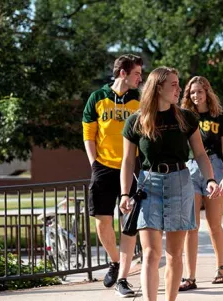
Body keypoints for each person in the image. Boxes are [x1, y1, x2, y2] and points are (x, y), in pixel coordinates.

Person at [119, 67, 220, 301]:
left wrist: (210, 179)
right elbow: (126, 161)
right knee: (151, 254)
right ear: (158, 88)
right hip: (148, 186)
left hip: (180, 184)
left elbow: (201, 154)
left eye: (178, 83)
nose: (179, 88)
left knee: (174, 254)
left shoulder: (186, 118)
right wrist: (125, 194)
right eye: (173, 84)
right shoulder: (136, 121)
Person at [82, 54, 143, 297]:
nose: (140, 78)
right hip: (103, 167)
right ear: (123, 74)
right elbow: (88, 133)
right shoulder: (97, 98)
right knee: (102, 221)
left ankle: (123, 277)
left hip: (131, 166)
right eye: (137, 73)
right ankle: (115, 262)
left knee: (128, 223)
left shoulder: (138, 100)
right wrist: (93, 163)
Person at [179, 76, 223, 291]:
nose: (196, 95)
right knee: (192, 225)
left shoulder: (219, 116)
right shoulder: (184, 117)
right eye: (192, 92)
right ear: (188, 95)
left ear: (207, 92)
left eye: (200, 91)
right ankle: (190, 277)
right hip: (190, 168)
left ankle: (221, 267)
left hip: (215, 167)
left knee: (214, 223)